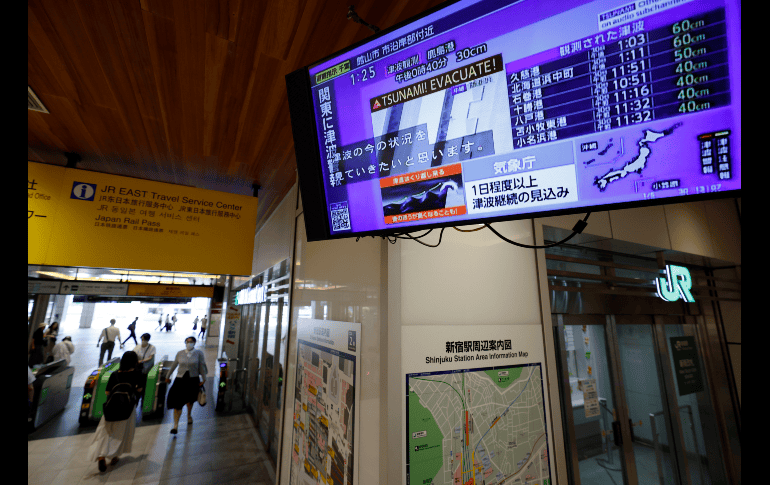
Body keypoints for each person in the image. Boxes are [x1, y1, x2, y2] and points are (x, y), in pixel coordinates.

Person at [87, 351, 143, 472]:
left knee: (105, 432)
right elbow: (139, 390)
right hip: (127, 408)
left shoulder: (115, 374)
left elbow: (107, 392)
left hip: (111, 407)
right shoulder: (137, 374)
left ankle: (101, 455)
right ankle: (114, 456)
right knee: (120, 433)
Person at [166, 336, 207, 434]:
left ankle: (189, 415)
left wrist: (204, 378)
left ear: (194, 343)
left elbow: (201, 366)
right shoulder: (180, 353)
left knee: (190, 400)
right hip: (180, 380)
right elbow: (174, 365)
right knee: (177, 403)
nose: (189, 343)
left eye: (191, 341)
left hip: (193, 380)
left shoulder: (199, 353)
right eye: (187, 341)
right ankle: (175, 426)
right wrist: (168, 376)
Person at [133, 333, 156, 401]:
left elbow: (150, 357)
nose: (143, 341)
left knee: (144, 385)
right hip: (137, 369)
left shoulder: (152, 347)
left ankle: (143, 398)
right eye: (142, 339)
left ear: (148, 340)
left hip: (146, 369)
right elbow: (133, 354)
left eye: (144, 339)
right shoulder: (137, 347)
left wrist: (141, 361)